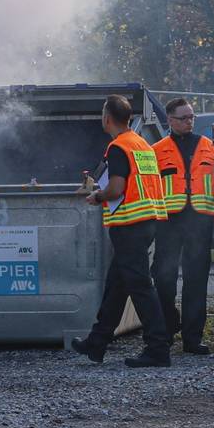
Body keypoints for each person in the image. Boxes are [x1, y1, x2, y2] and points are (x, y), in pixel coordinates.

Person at [73, 94, 173, 367]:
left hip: (129, 224)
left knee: (140, 287)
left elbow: (116, 188)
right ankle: (97, 342)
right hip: (148, 221)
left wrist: (97, 196)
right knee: (117, 285)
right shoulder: (142, 144)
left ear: (107, 118)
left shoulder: (118, 147)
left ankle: (158, 348)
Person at [150, 99, 214, 356]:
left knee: (196, 280)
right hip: (169, 221)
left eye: (192, 117)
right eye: (184, 118)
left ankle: (192, 338)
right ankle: (168, 325)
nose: (189, 121)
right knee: (163, 278)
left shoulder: (210, 147)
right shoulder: (156, 150)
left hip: (200, 221)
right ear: (170, 121)